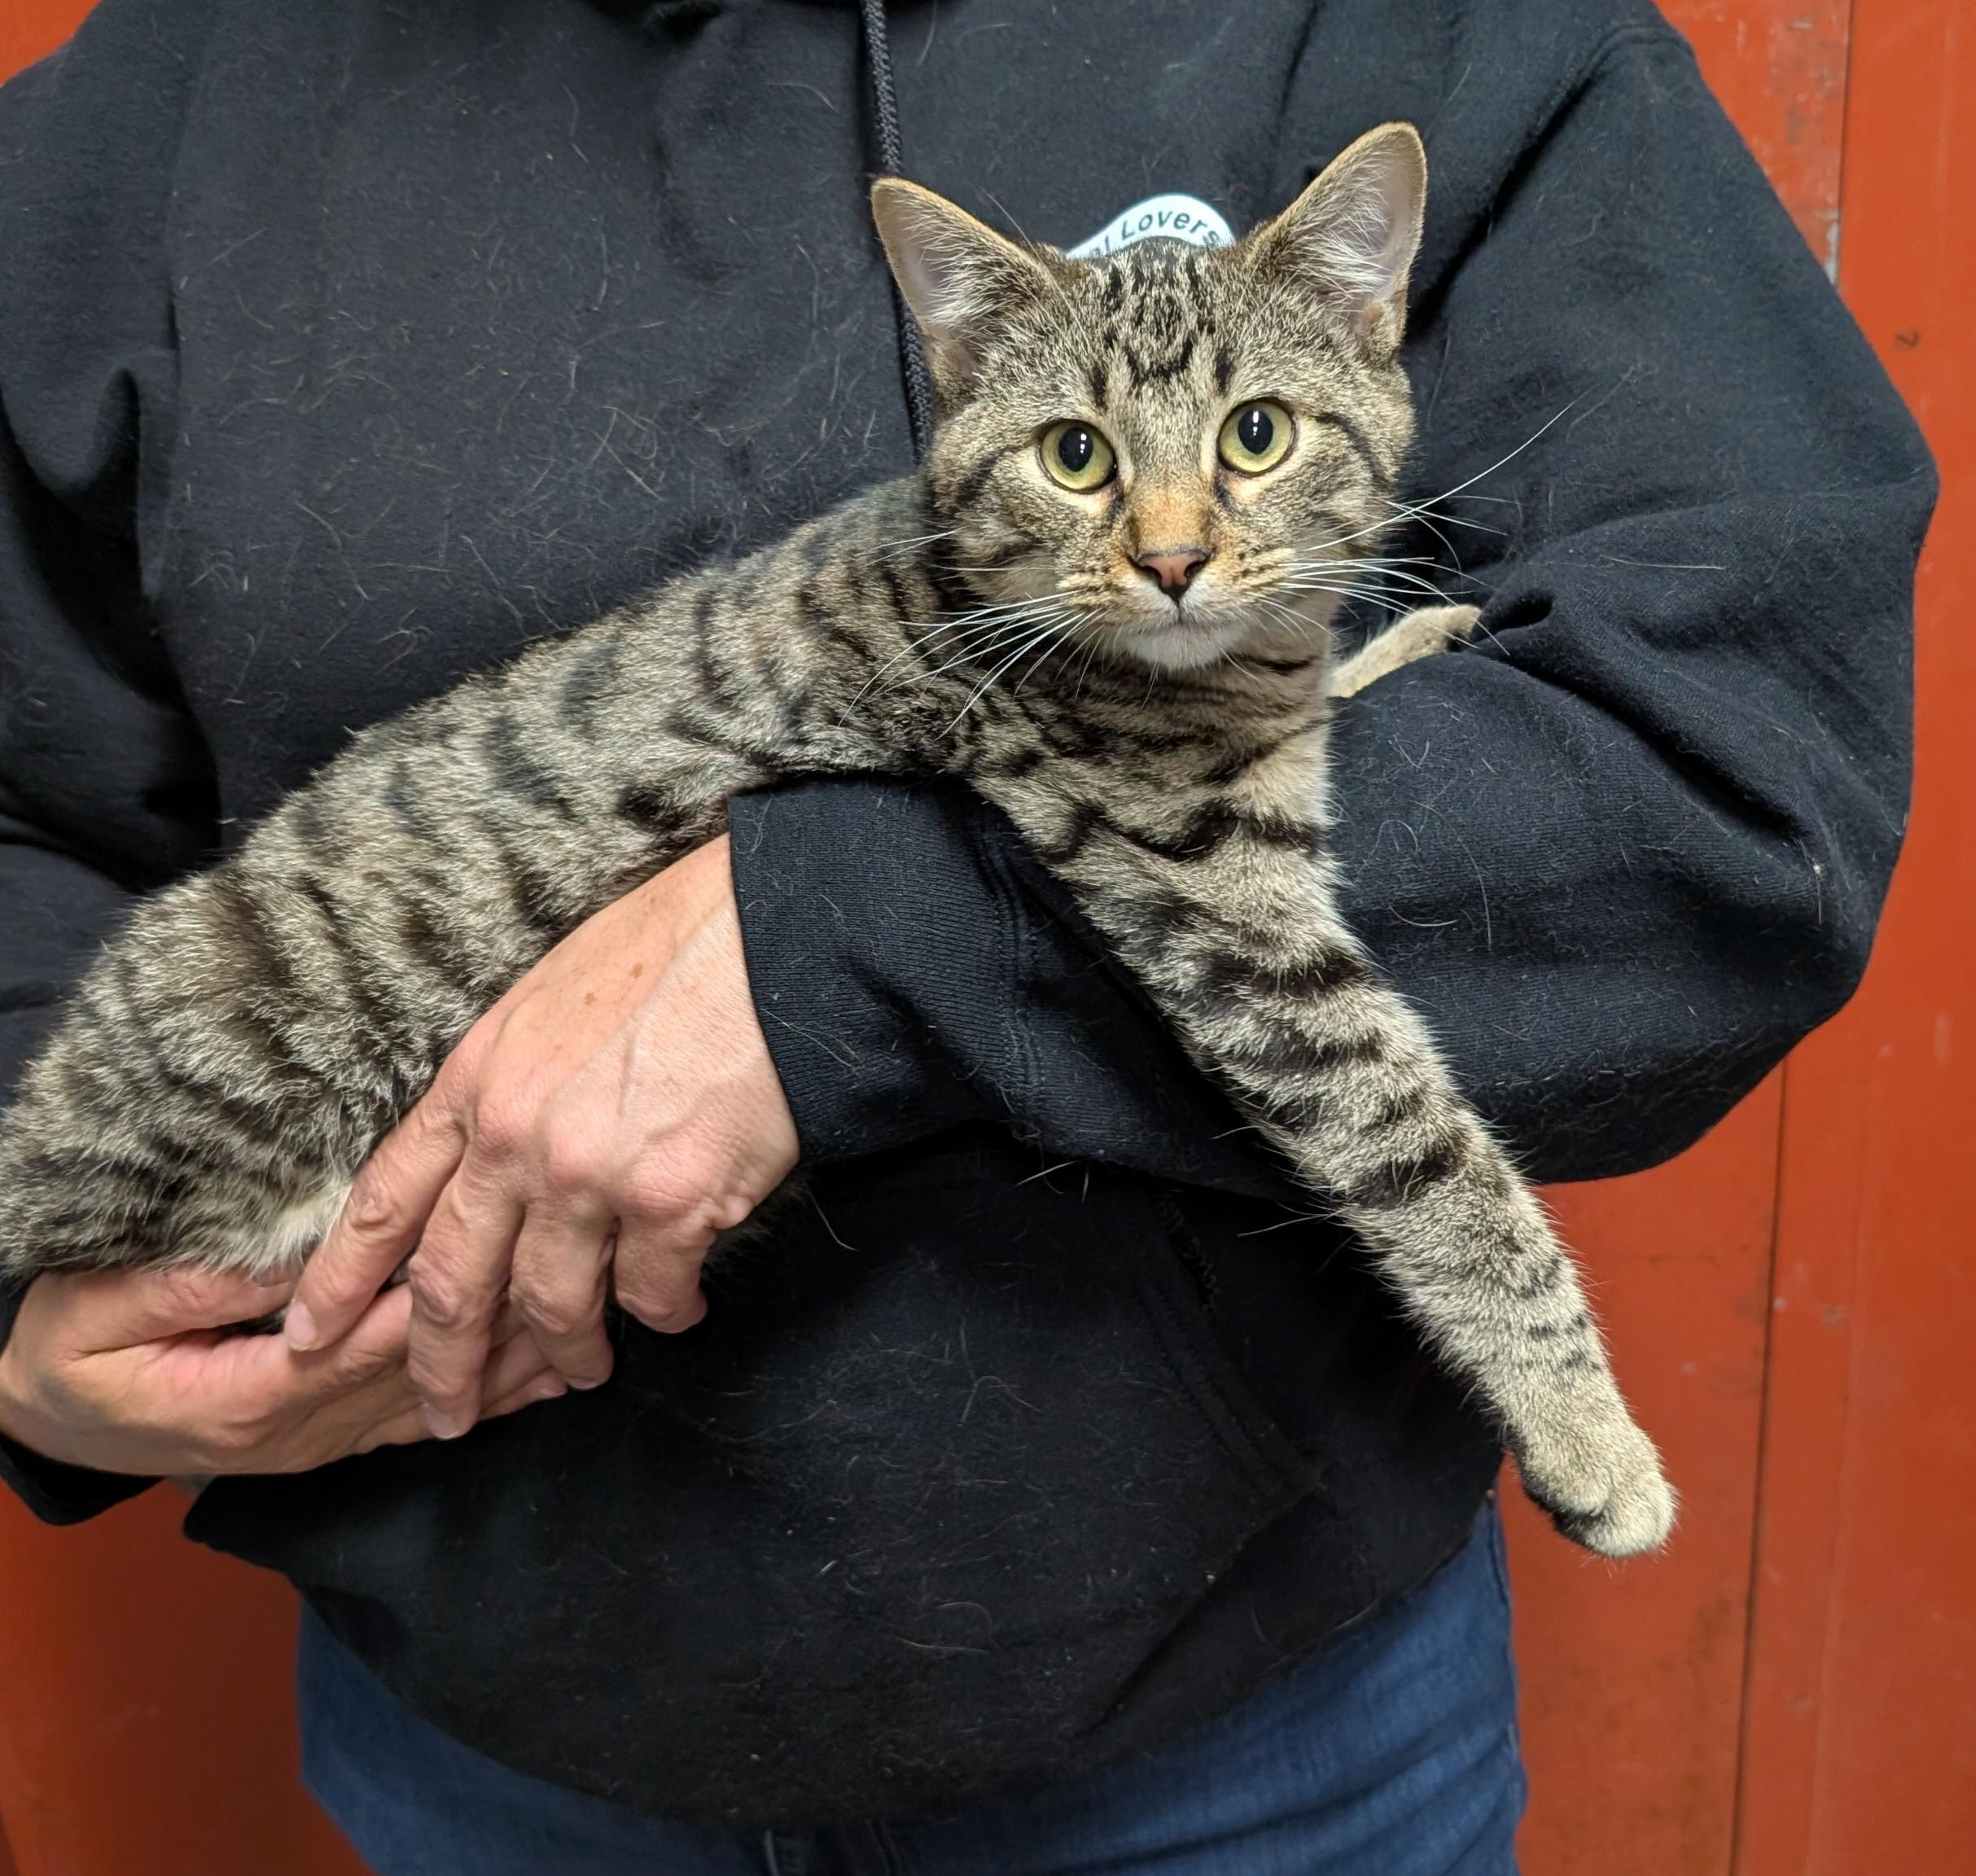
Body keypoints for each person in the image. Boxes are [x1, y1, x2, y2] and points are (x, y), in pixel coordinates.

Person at [0, 0, 1930, 1870]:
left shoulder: (1440, 33)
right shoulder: (170, 87)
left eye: (1245, 447)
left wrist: (827, 946)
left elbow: (1735, 781)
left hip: (1225, 1726)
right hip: (473, 1692)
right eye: (1087, 459)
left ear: (1367, 322)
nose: (1170, 544)